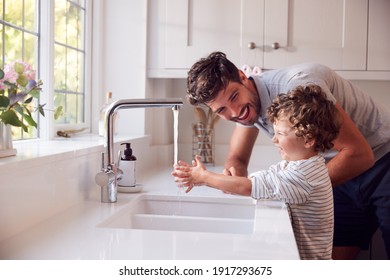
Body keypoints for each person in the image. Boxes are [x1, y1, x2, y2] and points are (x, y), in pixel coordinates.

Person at [185, 51, 390, 260]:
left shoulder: (298, 90)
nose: (235, 112)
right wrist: (234, 170)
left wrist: (288, 187)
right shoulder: (246, 105)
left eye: (234, 97)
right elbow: (237, 156)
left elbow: (360, 155)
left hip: (383, 160)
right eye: (221, 110)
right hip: (338, 171)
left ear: (243, 77)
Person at [172, 85, 340, 260]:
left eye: (281, 134)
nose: (274, 139)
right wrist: (227, 182)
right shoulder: (302, 164)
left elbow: (251, 186)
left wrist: (204, 177)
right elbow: (265, 178)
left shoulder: (303, 176)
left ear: (308, 140)